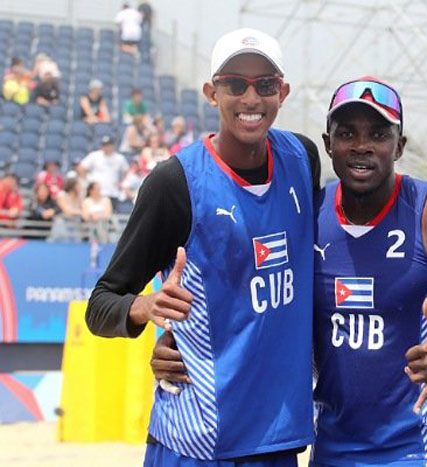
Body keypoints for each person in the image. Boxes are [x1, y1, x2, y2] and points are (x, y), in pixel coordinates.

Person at [153, 78, 427, 466]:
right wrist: (183, 350)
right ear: (328, 145)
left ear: (400, 147)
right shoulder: (307, 217)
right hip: (329, 451)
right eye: (347, 133)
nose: (362, 146)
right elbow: (258, 309)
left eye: (379, 134)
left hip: (419, 454)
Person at [84, 27, 321, 466]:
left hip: (278, 439)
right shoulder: (174, 184)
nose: (251, 99)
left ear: (283, 92)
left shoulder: (303, 160)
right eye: (235, 84)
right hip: (196, 440)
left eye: (265, 85)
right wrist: (145, 306)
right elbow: (99, 306)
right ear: (213, 93)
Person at [79, 135, 129, 207]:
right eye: (104, 145)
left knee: (110, 215)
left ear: (113, 145)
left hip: (112, 192)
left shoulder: (119, 158)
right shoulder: (94, 156)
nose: (106, 147)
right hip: (97, 193)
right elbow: (82, 167)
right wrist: (88, 179)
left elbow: (126, 171)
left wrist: (121, 182)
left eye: (108, 145)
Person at [53, 176, 83, 242]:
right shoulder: (62, 194)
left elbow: (84, 210)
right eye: (78, 185)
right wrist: (80, 212)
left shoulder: (79, 197)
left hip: (74, 224)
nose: (80, 187)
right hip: (62, 223)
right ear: (73, 186)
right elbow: (67, 211)